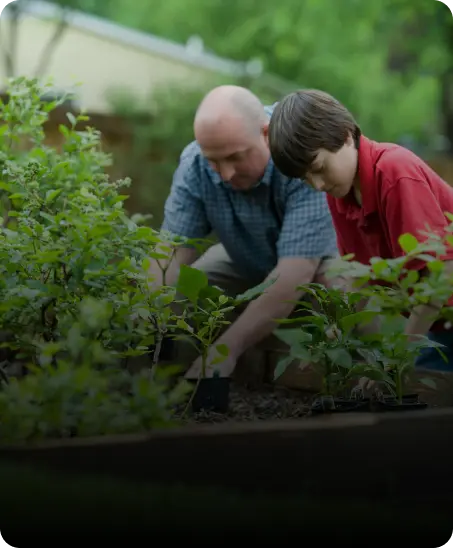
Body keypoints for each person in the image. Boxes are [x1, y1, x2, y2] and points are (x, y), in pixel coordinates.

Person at [148, 85, 339, 381]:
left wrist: (227, 348)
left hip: (318, 261)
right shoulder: (195, 164)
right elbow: (169, 254)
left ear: (266, 134)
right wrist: (145, 313)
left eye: (236, 157)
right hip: (246, 256)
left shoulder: (300, 150)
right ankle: (173, 375)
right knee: (186, 289)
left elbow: (295, 272)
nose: (225, 174)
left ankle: (371, 379)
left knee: (346, 287)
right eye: (214, 160)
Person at [267, 88, 453, 372]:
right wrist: (338, 329)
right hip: (440, 321)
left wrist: (397, 358)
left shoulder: (394, 172)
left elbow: (440, 273)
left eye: (318, 167)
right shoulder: (339, 194)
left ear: (344, 136)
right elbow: (358, 278)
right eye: (305, 179)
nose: (316, 185)